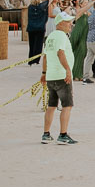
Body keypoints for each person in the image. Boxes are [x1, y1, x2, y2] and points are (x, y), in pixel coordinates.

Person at [40, 11, 76, 145]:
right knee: (67, 106)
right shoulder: (61, 36)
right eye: (67, 22)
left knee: (51, 106)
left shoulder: (50, 37)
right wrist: (67, 70)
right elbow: (60, 53)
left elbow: (45, 56)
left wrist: (44, 73)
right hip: (62, 76)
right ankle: (63, 134)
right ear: (60, 24)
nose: (70, 25)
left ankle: (46, 134)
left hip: (51, 76)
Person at [26, 0, 52, 65]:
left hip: (31, 28)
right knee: (38, 45)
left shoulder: (30, 7)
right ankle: (36, 60)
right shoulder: (42, 6)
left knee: (32, 44)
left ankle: (30, 60)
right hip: (40, 28)